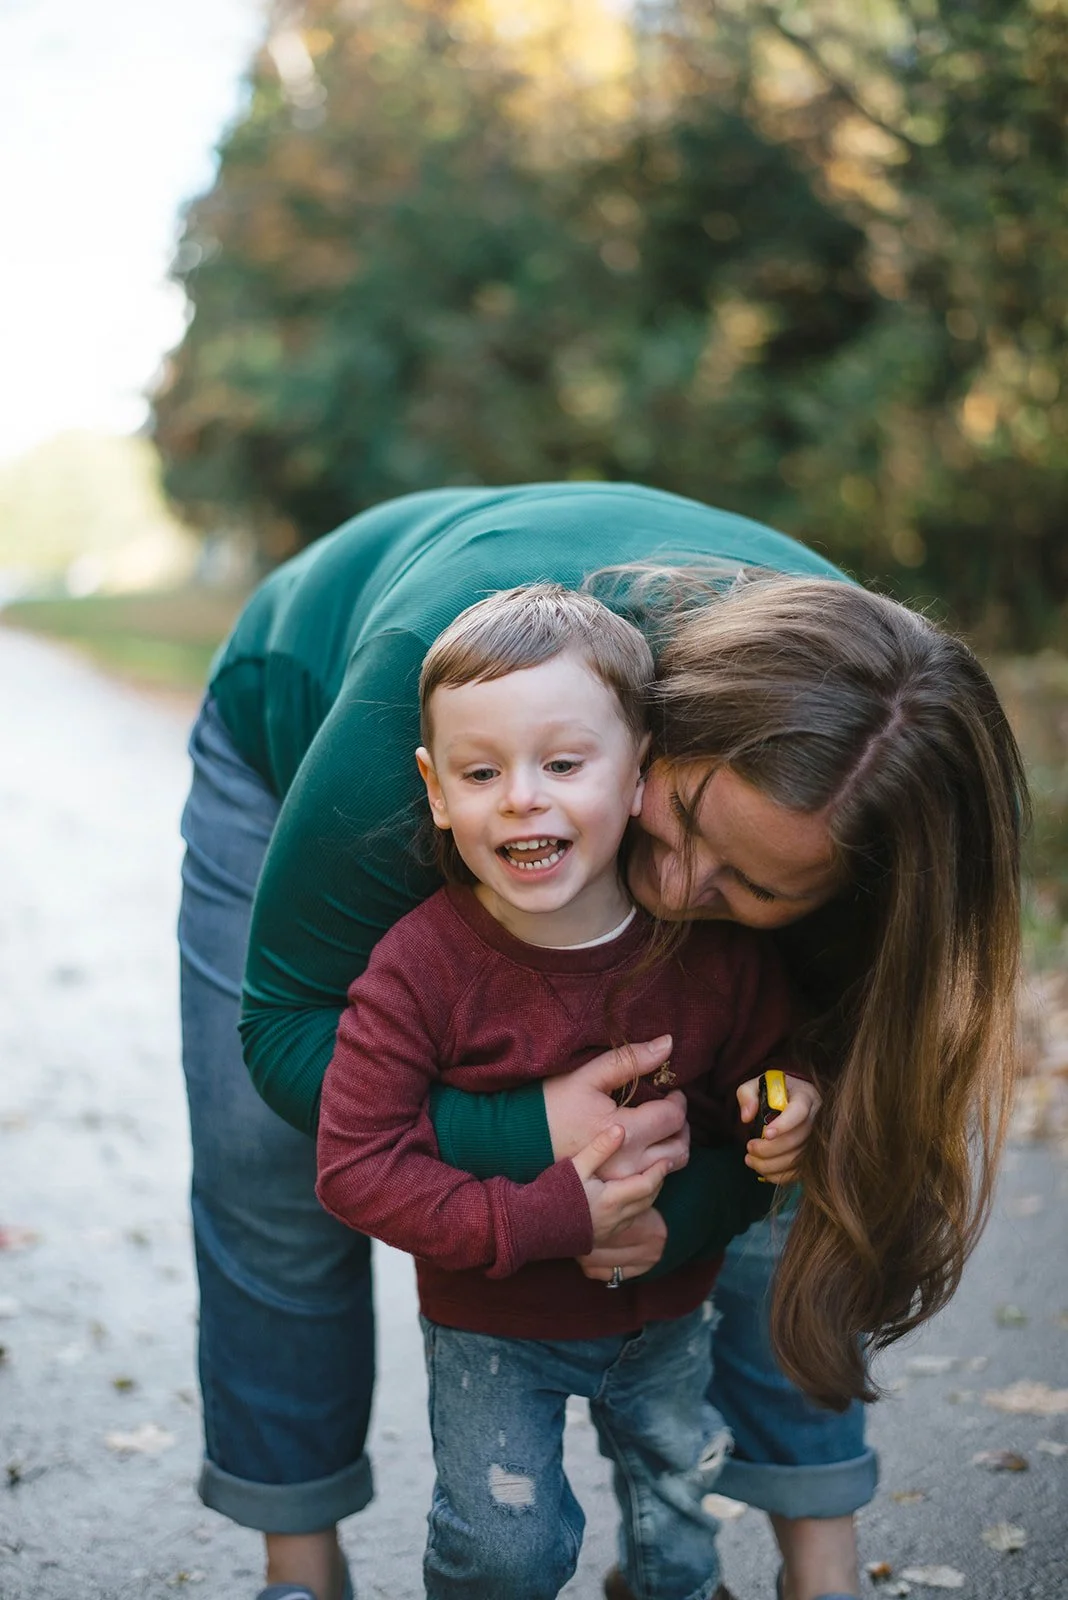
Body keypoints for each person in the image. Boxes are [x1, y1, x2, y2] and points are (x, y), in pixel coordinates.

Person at [177, 482, 1026, 1600]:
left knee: (791, 1150)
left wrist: (718, 1177)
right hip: (318, 707)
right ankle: (299, 1563)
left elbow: (792, 1087)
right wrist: (521, 1126)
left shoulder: (869, 761)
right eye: (685, 826)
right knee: (270, 1165)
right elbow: (285, 1030)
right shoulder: (465, 717)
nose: (677, 886)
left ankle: (819, 1560)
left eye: (751, 888)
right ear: (656, 741)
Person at [315, 584, 819, 1600]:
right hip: (492, 1330)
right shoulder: (418, 969)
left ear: (640, 774)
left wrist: (789, 1100)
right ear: (436, 789)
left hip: (670, 1314)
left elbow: (761, 1068)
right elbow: (356, 1167)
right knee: (506, 1547)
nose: (521, 798)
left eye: (563, 763)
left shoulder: (706, 949)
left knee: (677, 1516)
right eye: (482, 770)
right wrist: (548, 1214)